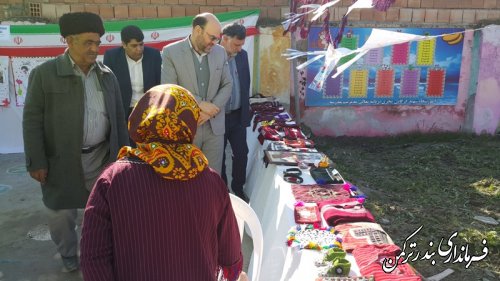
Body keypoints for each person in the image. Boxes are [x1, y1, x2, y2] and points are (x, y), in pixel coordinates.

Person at [80, 84, 245, 281]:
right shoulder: (211, 181)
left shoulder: (113, 180)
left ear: (140, 119)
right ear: (190, 124)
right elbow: (230, 255)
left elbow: (93, 257)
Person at [22, 12, 129, 272]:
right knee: (61, 214)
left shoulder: (107, 75)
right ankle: (69, 255)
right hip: (62, 161)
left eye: (98, 42)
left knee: (105, 213)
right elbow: (32, 120)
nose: (95, 49)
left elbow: (117, 116)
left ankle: (99, 254)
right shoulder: (44, 74)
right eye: (88, 42)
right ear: (68, 40)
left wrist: (124, 157)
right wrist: (36, 161)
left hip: (102, 157)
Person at [161, 12, 232, 174]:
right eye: (212, 37)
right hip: (185, 128)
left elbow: (227, 84)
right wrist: (199, 104)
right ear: (198, 30)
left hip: (214, 130)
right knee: (186, 178)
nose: (215, 42)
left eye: (217, 39)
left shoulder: (220, 52)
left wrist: (211, 109)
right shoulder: (171, 52)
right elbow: (169, 88)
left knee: (212, 178)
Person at [219, 23, 251, 203]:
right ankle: (223, 190)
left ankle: (238, 188)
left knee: (241, 153)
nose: (239, 49)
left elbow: (244, 84)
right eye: (236, 45)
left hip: (238, 116)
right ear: (224, 39)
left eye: (241, 45)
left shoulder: (243, 56)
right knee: (220, 156)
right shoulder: (213, 57)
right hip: (219, 117)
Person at [103, 25, 161, 119]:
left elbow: (160, 83)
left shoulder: (153, 55)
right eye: (134, 46)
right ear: (124, 45)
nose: (139, 49)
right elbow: (108, 87)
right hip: (123, 110)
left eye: (141, 44)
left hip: (149, 110)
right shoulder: (112, 57)